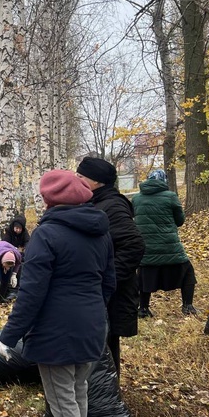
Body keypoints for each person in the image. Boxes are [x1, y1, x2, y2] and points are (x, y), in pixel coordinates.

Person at [0, 170, 116, 417]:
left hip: (56, 332)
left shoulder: (47, 236)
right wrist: (89, 312)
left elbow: (31, 293)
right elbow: (109, 283)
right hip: (92, 325)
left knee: (63, 399)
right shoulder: (99, 230)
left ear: (51, 201)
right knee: (77, 393)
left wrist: (8, 336)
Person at [76, 157, 145, 376]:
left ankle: (107, 398)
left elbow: (134, 246)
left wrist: (105, 278)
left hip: (109, 295)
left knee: (105, 347)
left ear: (96, 182)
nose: (76, 181)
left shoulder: (112, 206)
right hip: (101, 294)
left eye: (80, 177)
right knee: (99, 346)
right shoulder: (97, 202)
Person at [132, 169, 198, 317]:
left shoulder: (136, 199)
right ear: (164, 181)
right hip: (170, 246)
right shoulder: (170, 196)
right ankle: (187, 306)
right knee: (188, 272)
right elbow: (180, 221)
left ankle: (143, 309)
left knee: (144, 276)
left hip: (146, 247)